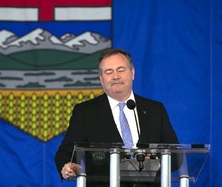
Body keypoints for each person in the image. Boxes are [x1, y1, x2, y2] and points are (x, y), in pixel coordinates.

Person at [55, 48, 180, 186]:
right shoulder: (85, 112)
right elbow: (66, 152)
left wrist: (154, 163)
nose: (115, 76)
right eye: (109, 72)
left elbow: (175, 155)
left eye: (121, 70)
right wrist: (67, 166)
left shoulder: (155, 110)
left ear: (132, 73)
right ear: (101, 79)